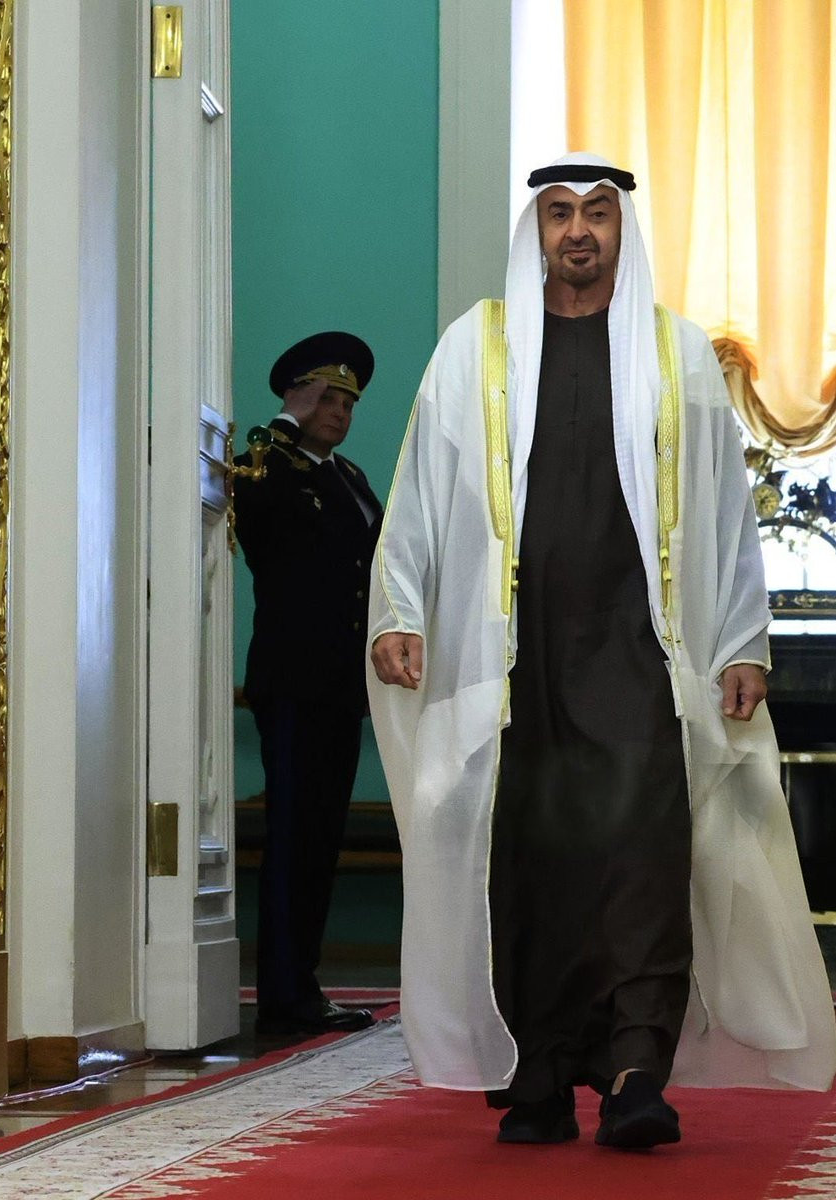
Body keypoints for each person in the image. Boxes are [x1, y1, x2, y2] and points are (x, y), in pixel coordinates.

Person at [368, 153, 836, 1148]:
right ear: (534, 230)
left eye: (595, 213)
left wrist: (740, 640)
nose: (577, 231)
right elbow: (419, 491)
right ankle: (538, 1072)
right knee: (530, 861)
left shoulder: (676, 353)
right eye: (557, 213)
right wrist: (398, 611)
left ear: (623, 227)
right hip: (513, 662)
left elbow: (724, 513)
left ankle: (634, 1072)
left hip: (640, 653)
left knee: (642, 857)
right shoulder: (474, 348)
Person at [234, 332, 383, 1036]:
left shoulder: (348, 477)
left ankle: (305, 985)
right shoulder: (269, 463)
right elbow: (253, 508)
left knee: (322, 838)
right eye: (326, 399)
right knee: (293, 836)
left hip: (340, 685)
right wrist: (285, 423)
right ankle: (283, 993)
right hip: (292, 679)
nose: (340, 412)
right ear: (297, 396)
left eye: (348, 403)